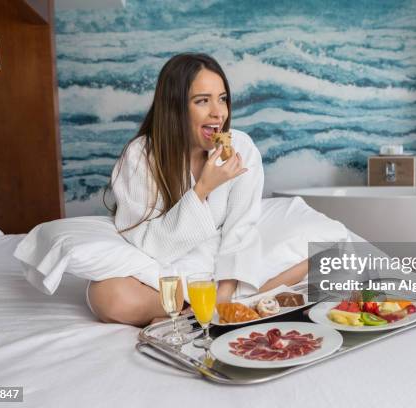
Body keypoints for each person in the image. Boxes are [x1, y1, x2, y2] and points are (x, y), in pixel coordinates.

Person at [88, 53, 309, 326]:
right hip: (168, 270)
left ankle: (204, 308)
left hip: (224, 268)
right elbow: (150, 245)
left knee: (322, 258)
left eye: (223, 98)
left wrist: (223, 295)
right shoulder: (141, 156)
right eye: (202, 101)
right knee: (107, 296)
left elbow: (240, 229)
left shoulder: (241, 148)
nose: (218, 112)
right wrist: (204, 188)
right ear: (175, 107)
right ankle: (194, 306)